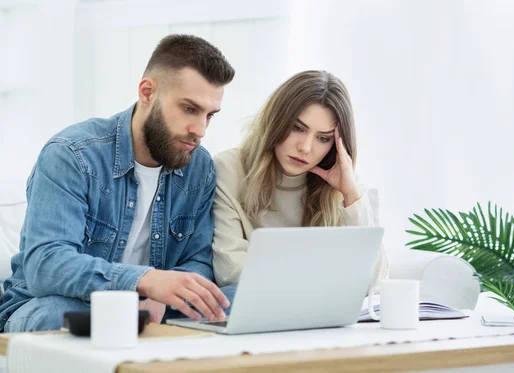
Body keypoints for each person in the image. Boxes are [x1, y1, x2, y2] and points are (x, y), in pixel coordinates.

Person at [0, 34, 236, 332]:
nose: (199, 130)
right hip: (64, 304)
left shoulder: (199, 166)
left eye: (209, 115)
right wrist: (144, 281)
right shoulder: (72, 155)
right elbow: (46, 265)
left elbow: (199, 260)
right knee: (57, 312)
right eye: (189, 109)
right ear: (147, 92)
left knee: (239, 300)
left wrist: (168, 293)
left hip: (153, 309)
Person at [211, 70, 388, 289]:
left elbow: (375, 284)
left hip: (322, 316)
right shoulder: (229, 169)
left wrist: (351, 196)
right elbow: (230, 271)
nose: (305, 147)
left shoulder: (343, 185)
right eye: (297, 128)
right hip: (263, 313)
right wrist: (322, 283)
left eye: (323, 138)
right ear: (276, 120)